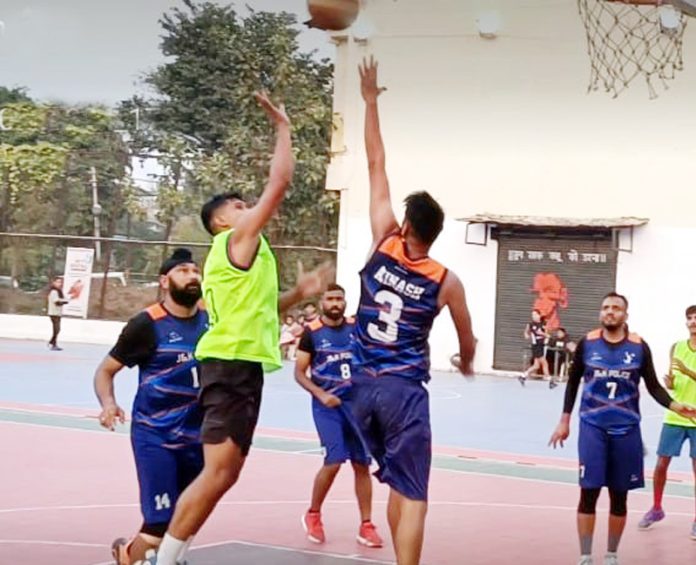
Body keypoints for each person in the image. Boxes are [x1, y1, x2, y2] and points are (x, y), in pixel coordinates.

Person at [149, 93, 332, 565]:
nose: (245, 204)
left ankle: (173, 552)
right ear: (221, 222)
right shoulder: (237, 238)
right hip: (229, 365)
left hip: (241, 365)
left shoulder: (241, 256)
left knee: (225, 474)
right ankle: (162, 558)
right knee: (217, 472)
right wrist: (284, 127)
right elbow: (281, 181)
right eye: (236, 204)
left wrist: (298, 293)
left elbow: (263, 305)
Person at [350, 57, 476, 565]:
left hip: (358, 388)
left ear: (405, 222)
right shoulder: (446, 280)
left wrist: (371, 101)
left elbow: (375, 163)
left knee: (394, 488)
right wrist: (466, 363)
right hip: (403, 392)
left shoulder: (383, 241)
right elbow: (467, 341)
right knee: (414, 489)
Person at [549, 292, 696, 565]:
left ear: (625, 315)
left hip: (627, 431)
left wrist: (676, 406)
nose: (610, 312)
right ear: (600, 313)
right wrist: (564, 419)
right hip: (593, 427)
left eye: (616, 308)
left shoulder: (639, 347)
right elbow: (572, 383)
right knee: (588, 492)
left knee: (619, 495)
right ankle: (585, 556)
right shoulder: (588, 343)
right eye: (606, 307)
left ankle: (611, 555)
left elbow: (653, 386)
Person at [94, 248, 208, 565]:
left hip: (199, 436)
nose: (192, 276)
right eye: (183, 271)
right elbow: (105, 371)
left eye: (195, 270)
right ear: (164, 281)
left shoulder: (213, 321)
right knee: (159, 521)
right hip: (156, 436)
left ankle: (150, 556)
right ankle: (131, 556)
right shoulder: (147, 324)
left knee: (187, 517)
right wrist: (108, 403)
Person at [295, 284, 383, 548]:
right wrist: (320, 394)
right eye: (330, 299)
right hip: (327, 407)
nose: (335, 303)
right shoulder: (311, 333)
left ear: (345, 302)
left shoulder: (356, 328)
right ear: (322, 302)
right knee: (333, 462)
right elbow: (299, 372)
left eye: (339, 299)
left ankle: (366, 525)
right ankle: (313, 514)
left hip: (357, 407)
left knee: (361, 465)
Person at [639, 304, 696, 539]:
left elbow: (688, 373)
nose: (693, 322)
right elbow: (673, 381)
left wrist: (688, 371)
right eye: (690, 318)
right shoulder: (676, 347)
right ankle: (657, 507)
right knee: (661, 465)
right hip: (675, 415)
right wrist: (671, 384)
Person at [519, 309, 555, 388]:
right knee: (544, 363)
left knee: (536, 366)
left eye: (535, 315)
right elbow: (526, 332)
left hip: (541, 345)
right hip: (536, 346)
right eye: (532, 315)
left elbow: (548, 335)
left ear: (539, 315)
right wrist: (526, 335)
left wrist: (543, 334)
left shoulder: (543, 324)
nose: (533, 316)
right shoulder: (530, 324)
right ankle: (550, 380)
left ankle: (523, 376)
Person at [47, 276, 69, 350]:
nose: (60, 284)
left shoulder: (59, 291)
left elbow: (64, 300)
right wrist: (63, 301)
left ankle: (52, 342)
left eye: (60, 282)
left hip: (58, 313)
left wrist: (64, 300)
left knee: (57, 329)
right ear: (54, 283)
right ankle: (53, 343)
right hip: (53, 313)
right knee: (56, 329)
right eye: (58, 282)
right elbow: (56, 301)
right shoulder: (54, 291)